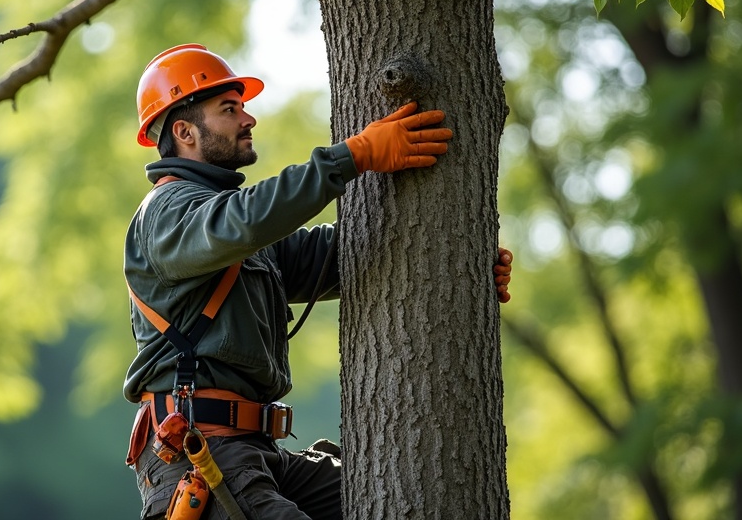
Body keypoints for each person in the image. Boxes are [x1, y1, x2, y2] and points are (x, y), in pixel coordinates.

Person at [123, 44, 512, 520]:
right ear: (184, 132)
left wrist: (461, 267)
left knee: (391, 498)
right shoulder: (167, 214)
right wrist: (352, 157)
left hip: (256, 451)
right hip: (198, 453)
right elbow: (243, 221)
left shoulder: (231, 228)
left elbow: (338, 257)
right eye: (230, 109)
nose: (248, 120)